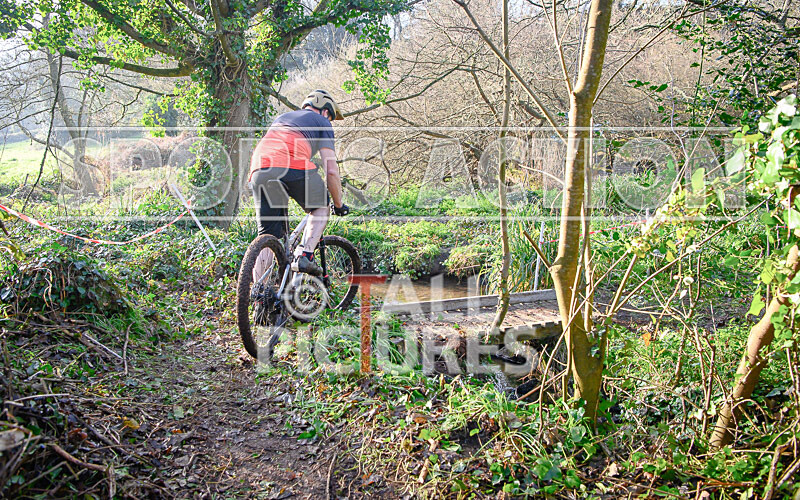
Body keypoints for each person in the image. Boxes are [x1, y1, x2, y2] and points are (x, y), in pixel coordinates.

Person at [249, 89, 350, 281]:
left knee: (268, 238)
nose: (329, 119)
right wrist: (338, 204)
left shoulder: (283, 117)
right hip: (291, 163)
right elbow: (331, 170)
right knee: (321, 206)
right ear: (325, 110)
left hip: (259, 168)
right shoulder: (322, 122)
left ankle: (258, 297)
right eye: (330, 116)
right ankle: (305, 255)